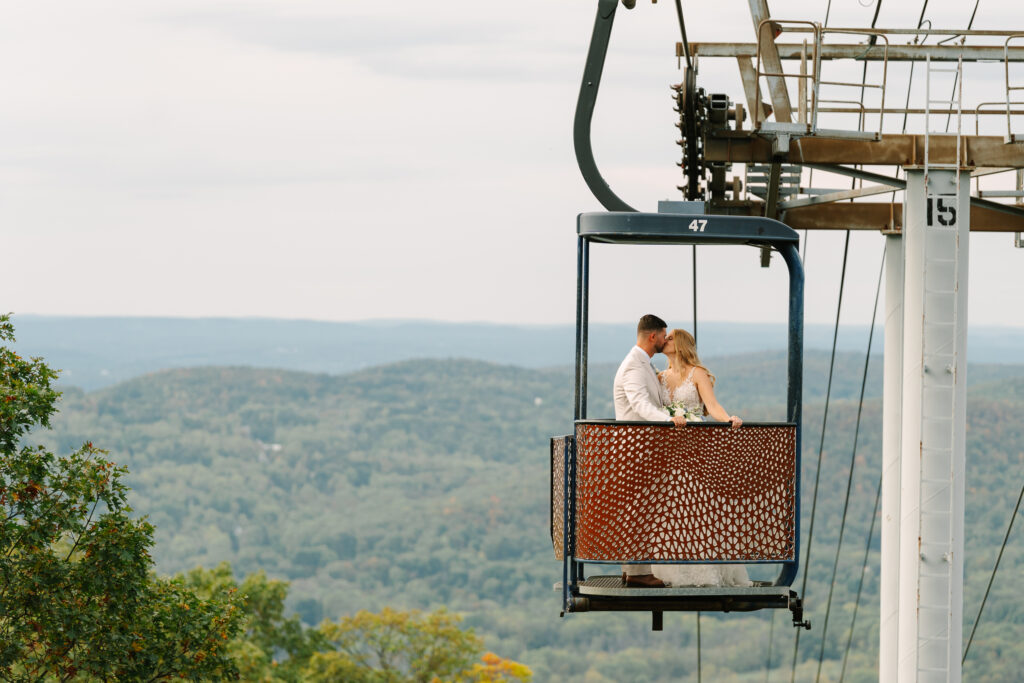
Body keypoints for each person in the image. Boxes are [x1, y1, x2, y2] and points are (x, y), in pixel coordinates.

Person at [653, 328, 751, 587]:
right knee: (672, 512)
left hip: (695, 451)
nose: (665, 340)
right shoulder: (660, 377)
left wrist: (728, 418)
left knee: (699, 509)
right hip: (668, 453)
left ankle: (704, 571)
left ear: (681, 343)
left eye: (670, 337)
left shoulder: (698, 374)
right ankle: (671, 572)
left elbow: (713, 405)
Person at [612, 314, 686, 588]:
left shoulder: (644, 364)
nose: (666, 341)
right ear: (652, 336)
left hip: (645, 449)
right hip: (636, 449)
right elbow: (640, 404)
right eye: (664, 335)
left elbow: (652, 400)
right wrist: (668, 420)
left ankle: (631, 568)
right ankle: (637, 572)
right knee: (637, 510)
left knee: (642, 509)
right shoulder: (634, 366)